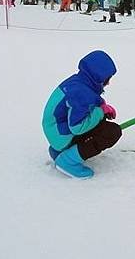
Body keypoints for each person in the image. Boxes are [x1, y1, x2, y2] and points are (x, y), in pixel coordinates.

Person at [42, 50, 122, 179]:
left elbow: (89, 101)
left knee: (100, 122)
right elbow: (77, 127)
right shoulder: (81, 93)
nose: (108, 83)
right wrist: (101, 111)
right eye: (107, 79)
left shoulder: (80, 82)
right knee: (111, 132)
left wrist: (102, 106)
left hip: (56, 131)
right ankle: (68, 161)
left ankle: (59, 151)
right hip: (60, 134)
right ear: (98, 78)